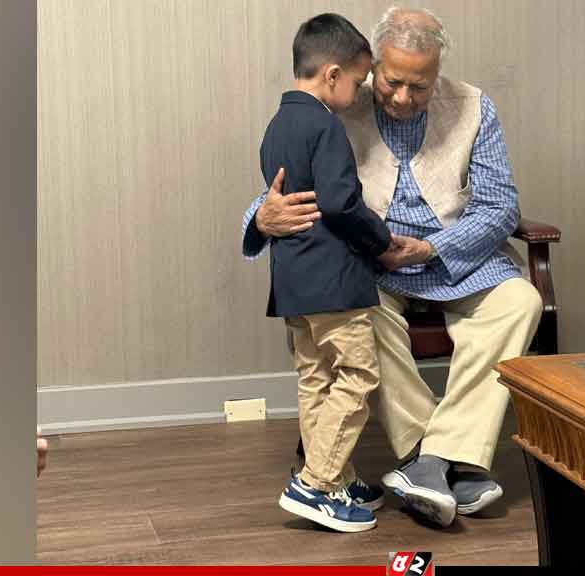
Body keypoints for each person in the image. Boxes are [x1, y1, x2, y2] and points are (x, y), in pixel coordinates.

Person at [242, 7, 542, 528]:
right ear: (373, 66)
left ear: (438, 72)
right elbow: (284, 190)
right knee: (356, 316)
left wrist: (433, 248)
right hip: (371, 267)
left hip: (451, 257)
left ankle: (433, 461)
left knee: (522, 300)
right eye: (391, 82)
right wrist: (261, 218)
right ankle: (439, 457)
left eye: (419, 87)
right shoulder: (336, 100)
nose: (403, 98)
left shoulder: (474, 107)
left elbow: (499, 207)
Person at [259, 13, 412, 533]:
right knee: (358, 374)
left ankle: (337, 476)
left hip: (293, 282)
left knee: (315, 379)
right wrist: (381, 241)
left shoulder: (276, 126)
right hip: (333, 283)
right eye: (359, 80)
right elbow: (341, 203)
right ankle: (316, 483)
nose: (362, 90)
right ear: (331, 75)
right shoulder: (325, 126)